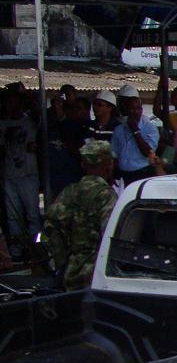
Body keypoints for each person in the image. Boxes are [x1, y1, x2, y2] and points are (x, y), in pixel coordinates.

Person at [42, 139, 117, 290]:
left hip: (72, 270)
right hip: (98, 273)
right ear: (109, 165)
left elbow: (49, 229)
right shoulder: (107, 196)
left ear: (83, 165)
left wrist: (61, 260)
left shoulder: (69, 192)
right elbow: (111, 235)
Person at [1, 84, 41, 257]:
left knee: (33, 215)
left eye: (15, 100)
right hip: (8, 175)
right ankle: (17, 250)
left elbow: (39, 111)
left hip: (28, 174)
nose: (12, 104)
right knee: (13, 217)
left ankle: (39, 246)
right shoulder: (2, 123)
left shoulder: (30, 120)